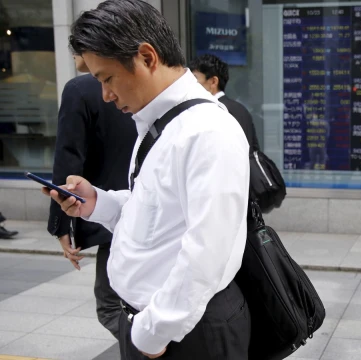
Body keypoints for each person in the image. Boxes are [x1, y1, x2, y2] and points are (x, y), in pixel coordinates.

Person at [44, 0, 251, 359]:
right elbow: (157, 212)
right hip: (158, 324)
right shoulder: (161, 122)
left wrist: (153, 333)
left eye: (107, 79)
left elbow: (207, 251)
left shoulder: (206, 131)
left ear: (147, 57)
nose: (106, 95)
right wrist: (99, 202)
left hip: (186, 334)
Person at [47, 54, 137, 339]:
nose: (108, 94)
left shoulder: (80, 90)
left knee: (111, 307)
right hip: (130, 206)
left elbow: (68, 157)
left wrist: (62, 224)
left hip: (109, 213)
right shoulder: (141, 88)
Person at [189, 54, 260, 152]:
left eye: (195, 79)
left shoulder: (213, 111)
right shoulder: (241, 109)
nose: (191, 84)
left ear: (213, 81)